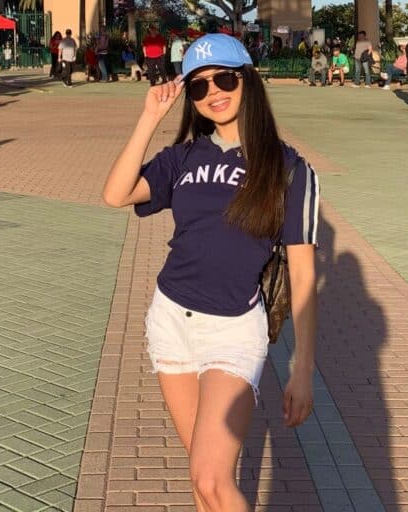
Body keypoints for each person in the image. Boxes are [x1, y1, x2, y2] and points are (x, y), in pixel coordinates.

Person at [102, 34, 318, 510]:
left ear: (248, 81)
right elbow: (116, 194)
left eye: (224, 79)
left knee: (211, 477)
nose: (213, 93)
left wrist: (302, 369)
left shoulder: (287, 168)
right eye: (199, 87)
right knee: (202, 479)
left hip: (233, 331)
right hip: (170, 322)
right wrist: (148, 118)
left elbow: (303, 275)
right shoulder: (183, 157)